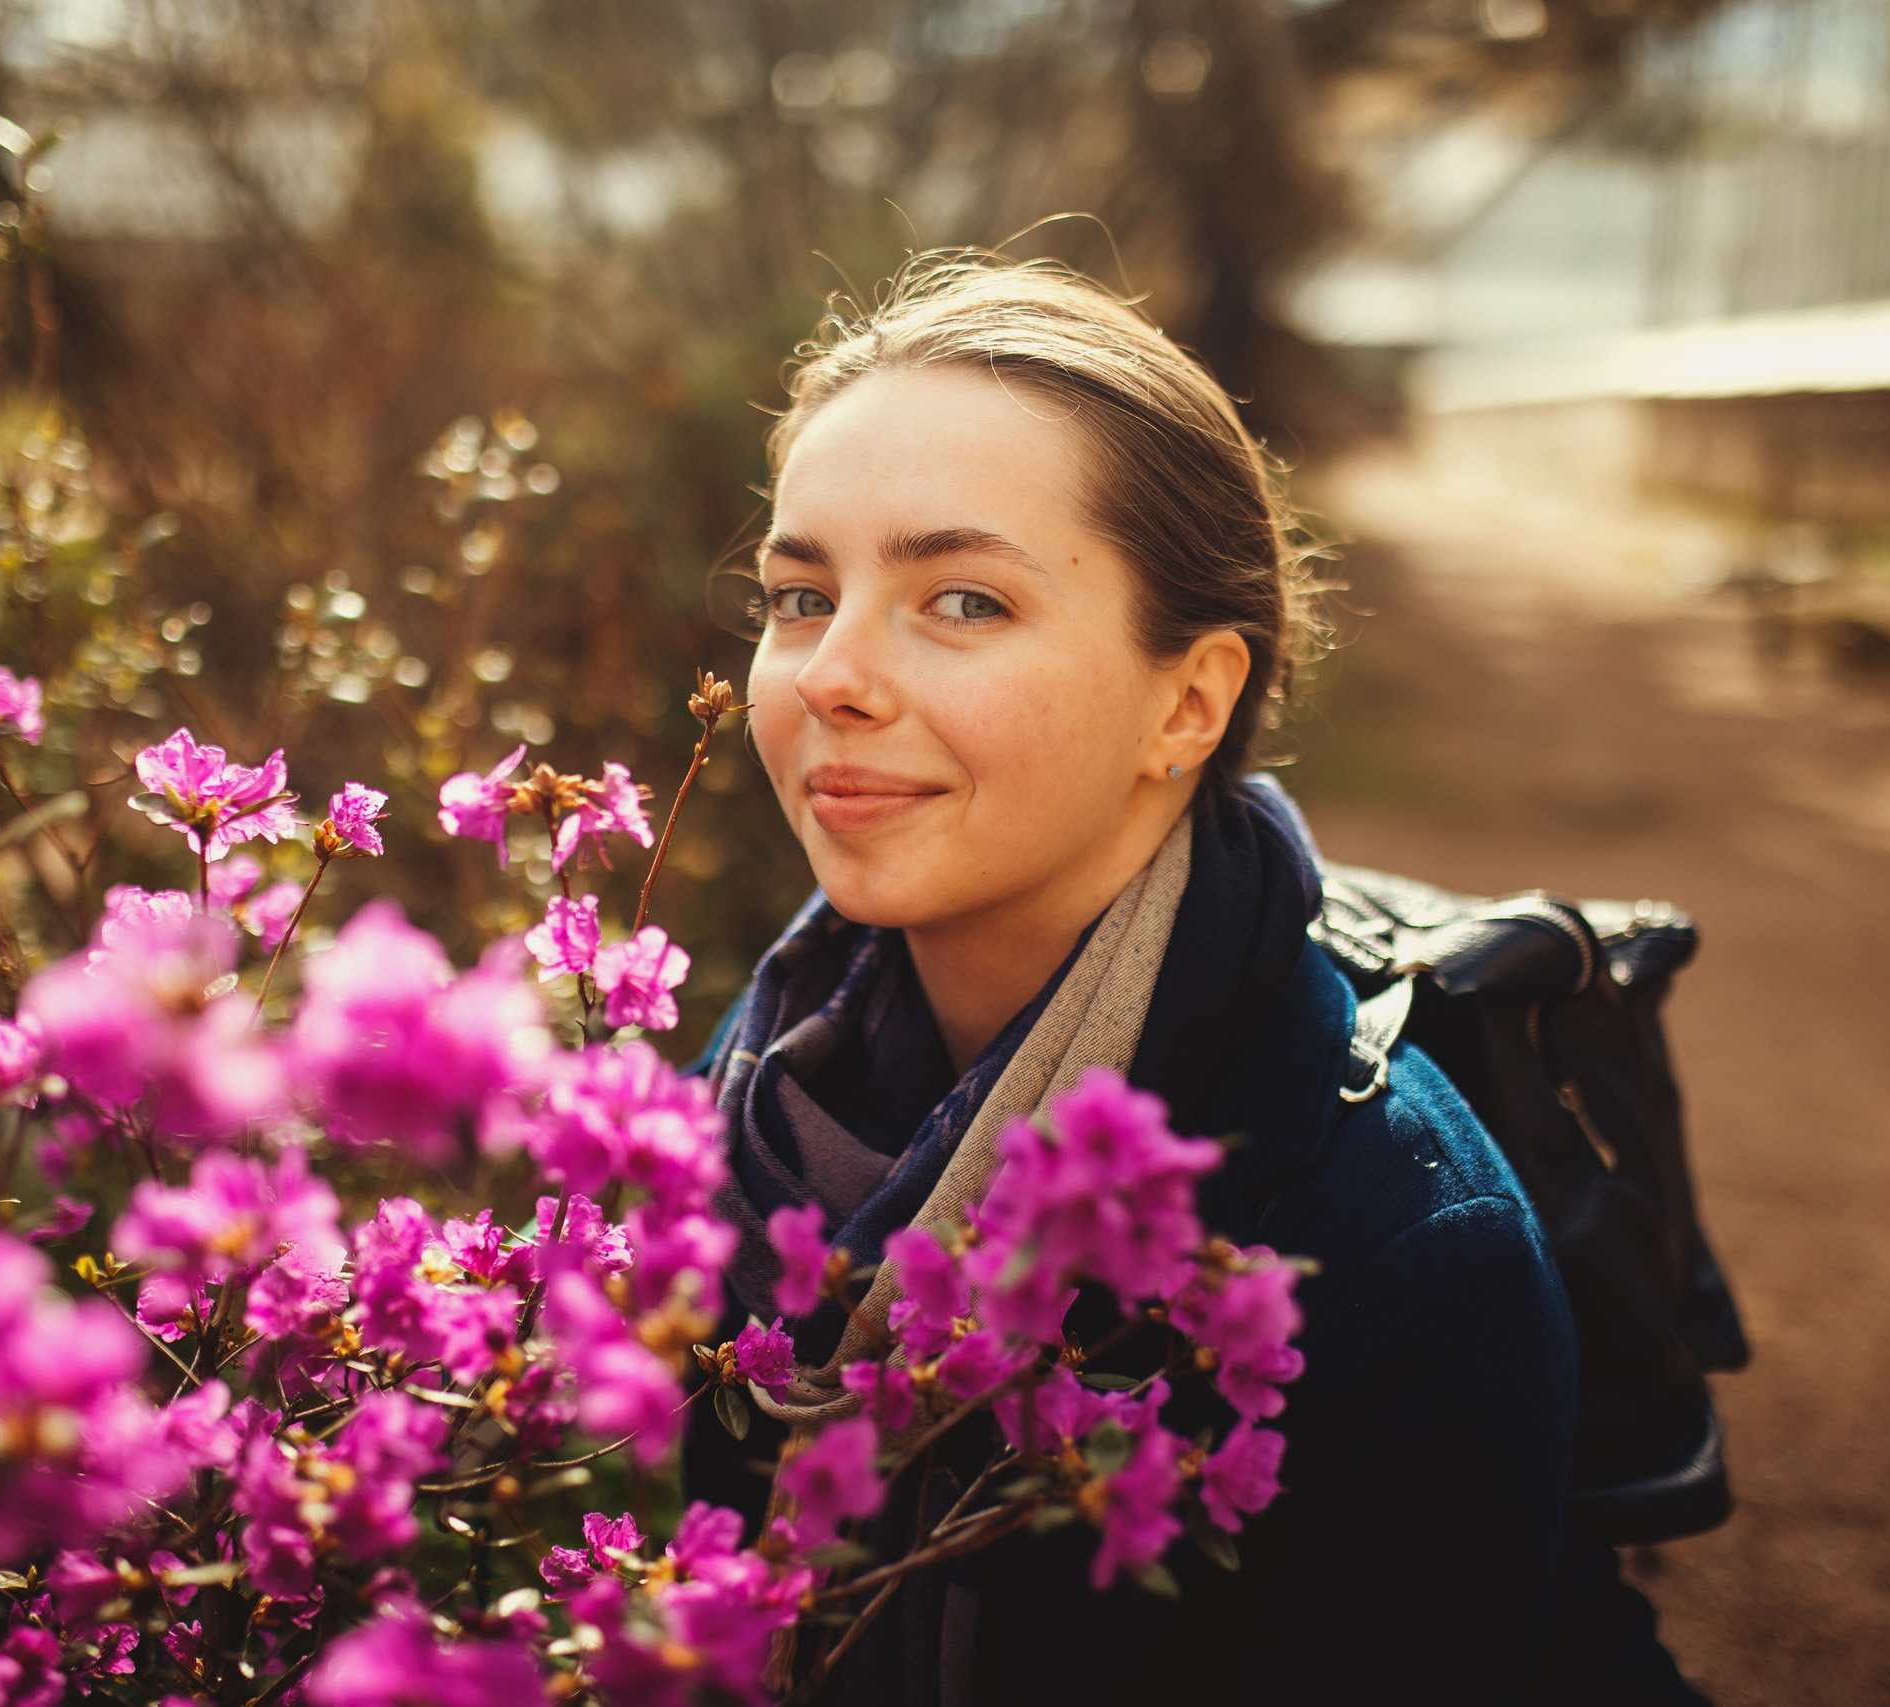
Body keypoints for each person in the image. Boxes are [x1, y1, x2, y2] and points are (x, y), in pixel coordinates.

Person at [682, 255, 1707, 1705]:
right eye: (800, 594)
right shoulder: (770, 1067)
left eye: (963, 600)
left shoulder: (1396, 1239)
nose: (830, 673)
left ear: (1190, 700)